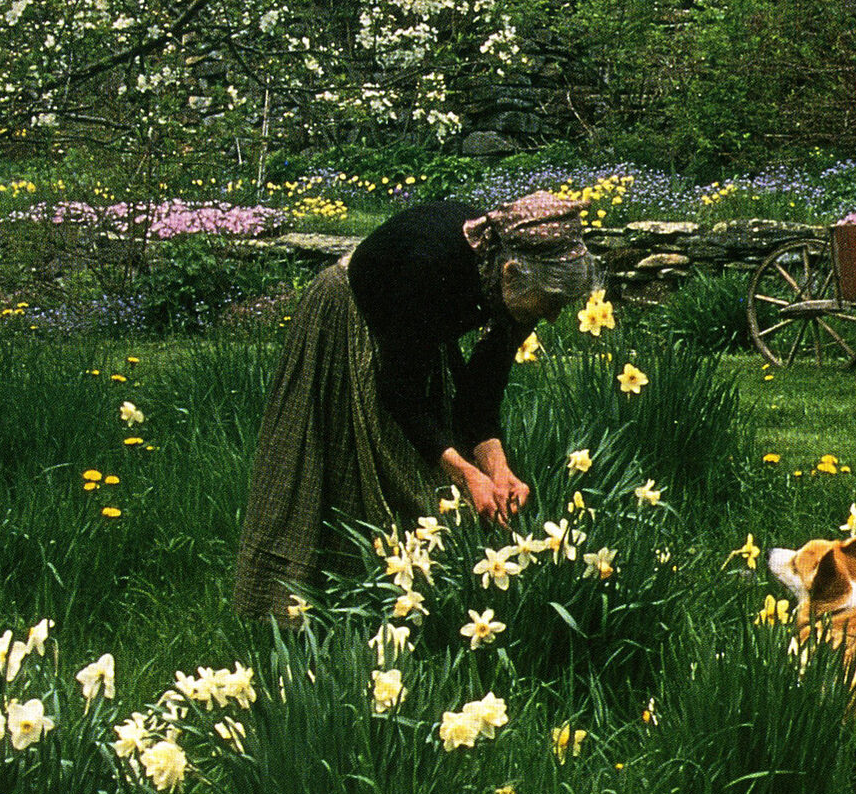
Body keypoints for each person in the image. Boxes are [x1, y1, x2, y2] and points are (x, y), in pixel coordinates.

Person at [231, 189, 600, 619]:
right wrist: (466, 475)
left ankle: (400, 601)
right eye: (552, 302)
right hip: (352, 310)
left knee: (420, 470)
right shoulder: (432, 265)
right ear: (512, 272)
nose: (553, 316)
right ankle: (314, 605)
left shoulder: (516, 288)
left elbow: (480, 393)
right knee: (346, 462)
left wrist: (498, 471)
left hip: (416, 331)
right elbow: (399, 393)